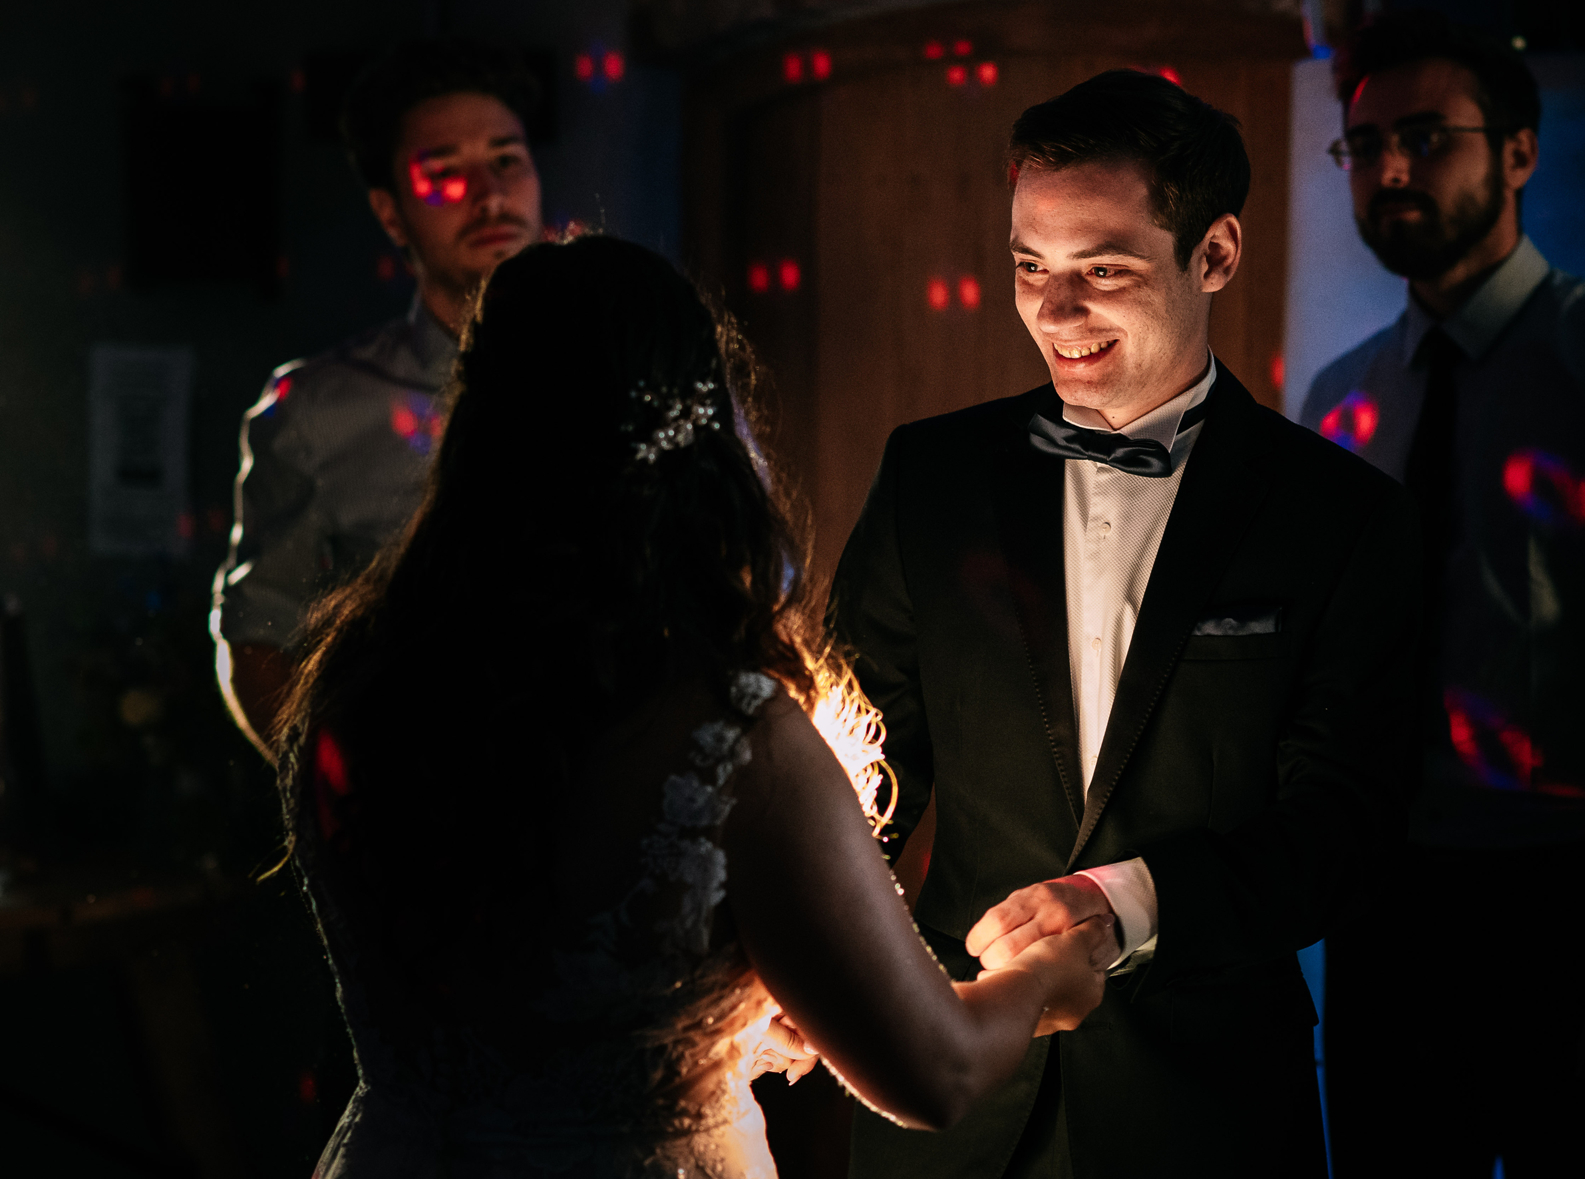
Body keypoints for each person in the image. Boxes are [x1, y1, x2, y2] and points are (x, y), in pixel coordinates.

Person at [277, 235, 1115, 1177]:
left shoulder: (357, 685)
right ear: (703, 431)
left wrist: (741, 1003)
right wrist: (1048, 978)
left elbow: (523, 988)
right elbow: (935, 1071)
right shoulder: (724, 734)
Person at [829, 69, 1424, 1178]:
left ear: (1214, 255)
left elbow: (1344, 830)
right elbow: (855, 767)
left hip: (1202, 1106)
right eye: (1028, 268)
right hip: (951, 1090)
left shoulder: (1339, 519)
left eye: (1100, 269)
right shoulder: (933, 476)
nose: (1053, 313)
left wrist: (1122, 906)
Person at [1300, 11, 1585, 1176]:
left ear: (1517, 152)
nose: (1390, 168)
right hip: (1393, 904)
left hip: (1578, 894)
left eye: (1423, 135)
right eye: (1363, 146)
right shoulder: (1342, 397)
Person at [212, 37, 545, 762]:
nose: (487, 195)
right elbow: (259, 634)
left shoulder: (636, 369)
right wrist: (347, 818)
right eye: (442, 174)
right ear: (390, 215)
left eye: (505, 159)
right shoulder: (319, 412)